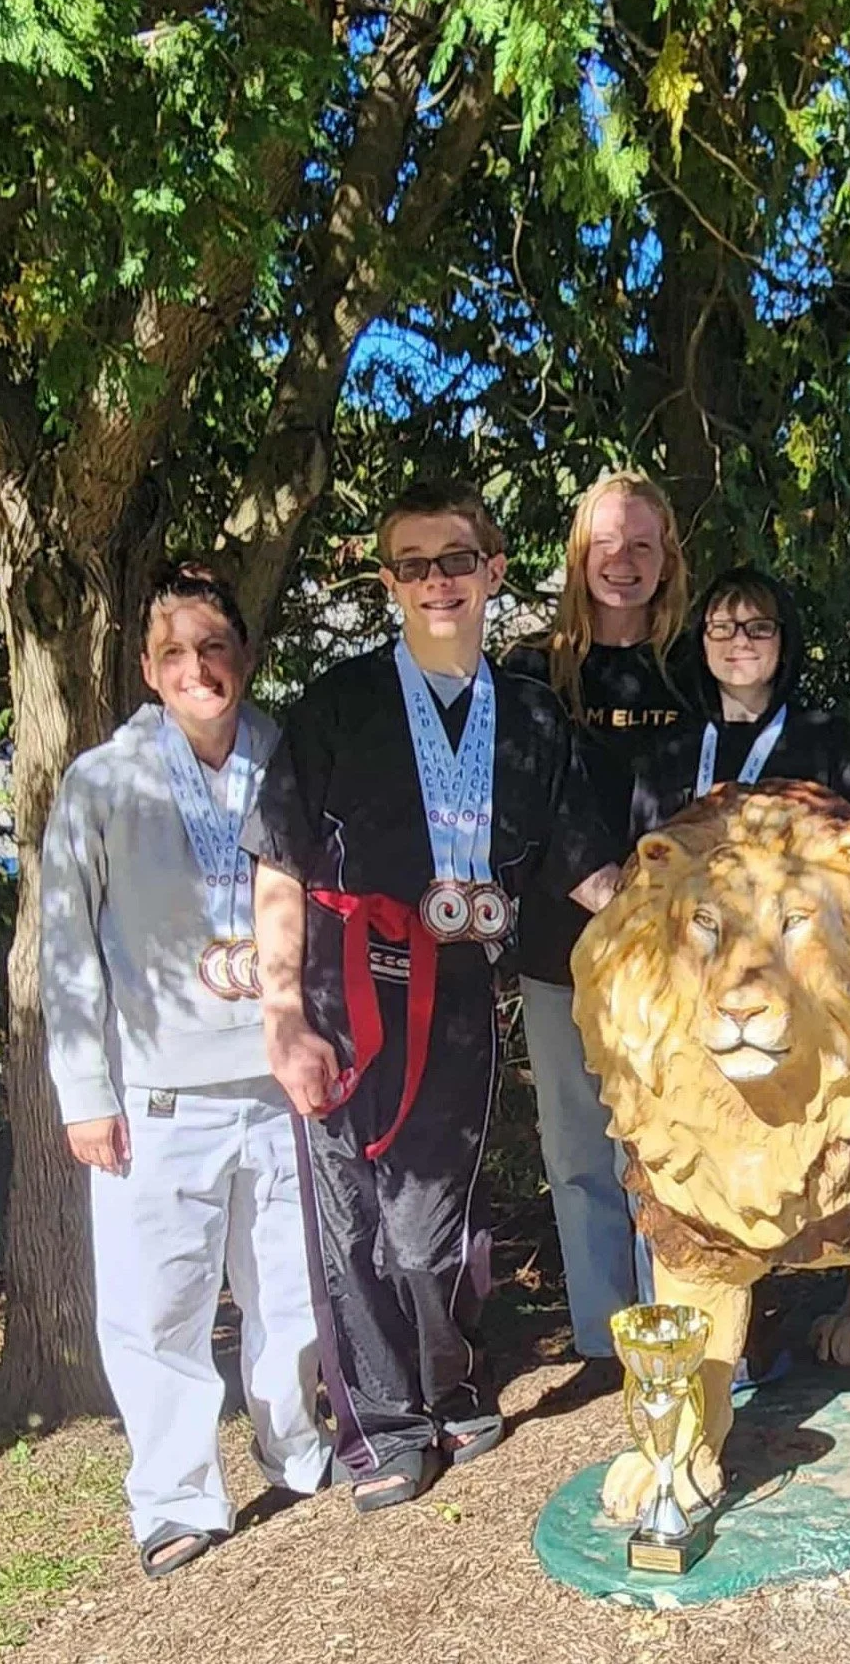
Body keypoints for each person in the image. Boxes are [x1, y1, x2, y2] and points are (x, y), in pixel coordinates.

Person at [248, 480, 621, 1512]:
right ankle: (383, 1424)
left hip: (459, 989)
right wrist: (283, 1014)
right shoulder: (337, 702)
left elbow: (590, 871)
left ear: (493, 571)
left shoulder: (532, 715)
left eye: (456, 559)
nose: (437, 581)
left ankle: (450, 1381)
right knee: (351, 1215)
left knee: (438, 1218)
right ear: (389, 582)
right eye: (413, 565)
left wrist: (686, 927)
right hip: (342, 987)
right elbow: (277, 858)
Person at [40, 563, 328, 1579]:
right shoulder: (101, 781)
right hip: (157, 1094)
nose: (197, 668)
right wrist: (85, 1094)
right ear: (147, 667)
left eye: (213, 647)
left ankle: (297, 1447)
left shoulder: (288, 757)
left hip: (275, 1080)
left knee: (292, 1291)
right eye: (174, 652)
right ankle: (174, 1497)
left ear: (244, 656)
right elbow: (66, 946)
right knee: (157, 1308)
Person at [504, 471, 691, 1364]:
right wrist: (593, 883)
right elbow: (519, 799)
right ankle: (606, 1339)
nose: (623, 561)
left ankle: (686, 1325)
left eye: (642, 545)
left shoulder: (694, 671)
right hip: (560, 950)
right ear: (578, 556)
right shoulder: (529, 671)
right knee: (580, 1148)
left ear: (668, 560)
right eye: (606, 544)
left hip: (676, 957)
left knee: (675, 1143)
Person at [630, 566, 850, 839]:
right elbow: (643, 855)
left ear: (784, 643)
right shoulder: (667, 749)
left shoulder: (830, 743)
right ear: (702, 645)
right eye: (722, 627)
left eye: (759, 628)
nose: (740, 641)